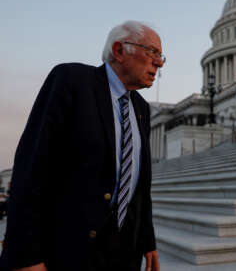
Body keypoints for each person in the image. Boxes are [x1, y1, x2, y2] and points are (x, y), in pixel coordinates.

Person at [0, 21, 163, 271]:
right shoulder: (72, 81)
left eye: (161, 56)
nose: (159, 63)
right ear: (119, 50)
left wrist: (147, 240)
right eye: (152, 52)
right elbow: (31, 168)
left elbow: (140, 187)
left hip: (123, 252)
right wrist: (26, 256)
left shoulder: (141, 108)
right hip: (68, 250)